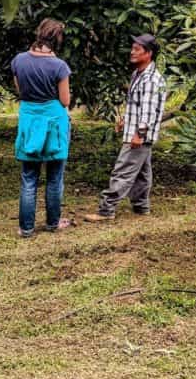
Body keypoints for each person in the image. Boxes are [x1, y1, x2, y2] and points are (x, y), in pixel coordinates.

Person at [84, 34, 167, 222]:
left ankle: (106, 210)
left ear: (149, 53)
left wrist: (140, 133)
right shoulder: (138, 74)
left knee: (123, 170)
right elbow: (136, 105)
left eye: (137, 49)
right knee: (142, 172)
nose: (132, 52)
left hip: (139, 134)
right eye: (132, 48)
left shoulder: (151, 79)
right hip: (136, 131)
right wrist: (125, 121)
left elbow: (148, 110)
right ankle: (141, 206)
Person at [11, 18, 72, 238]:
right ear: (57, 39)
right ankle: (53, 223)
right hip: (54, 122)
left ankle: (26, 228)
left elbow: (21, 91)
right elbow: (65, 100)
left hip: (29, 120)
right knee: (55, 177)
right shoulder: (59, 66)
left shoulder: (19, 60)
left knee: (29, 177)